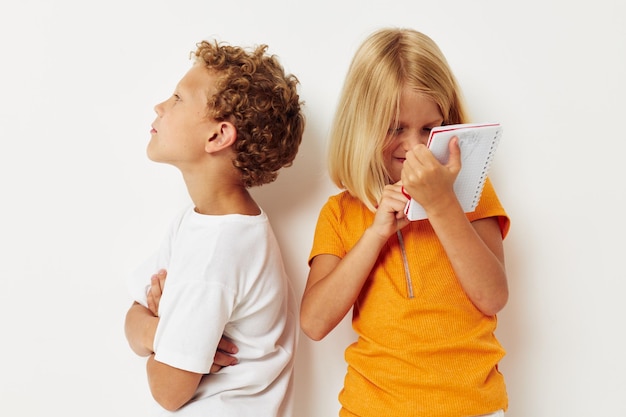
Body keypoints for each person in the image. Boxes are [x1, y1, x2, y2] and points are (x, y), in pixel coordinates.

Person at [300, 28, 510, 417]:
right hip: (371, 409)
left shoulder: (474, 193)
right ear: (361, 125)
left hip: (470, 407)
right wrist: (376, 233)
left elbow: (493, 296)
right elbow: (314, 322)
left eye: (429, 128)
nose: (414, 146)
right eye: (396, 127)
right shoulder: (340, 212)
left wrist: (444, 204)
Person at [124, 39, 304, 416]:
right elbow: (134, 316)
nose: (159, 106)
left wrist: (162, 325)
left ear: (217, 136)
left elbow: (168, 391)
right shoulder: (197, 223)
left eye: (177, 98)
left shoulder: (219, 252)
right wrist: (160, 331)